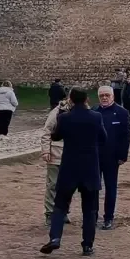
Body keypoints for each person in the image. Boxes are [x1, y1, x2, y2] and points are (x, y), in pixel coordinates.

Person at [40, 87, 107, 256]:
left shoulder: (64, 118)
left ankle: (55, 238)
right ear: (86, 100)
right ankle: (87, 245)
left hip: (69, 166)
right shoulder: (96, 117)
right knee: (89, 209)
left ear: (70, 99)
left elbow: (56, 136)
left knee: (60, 205)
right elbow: (103, 138)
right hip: (90, 167)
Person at [93, 86, 130, 230]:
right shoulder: (94, 112)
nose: (104, 97)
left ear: (113, 96)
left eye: (107, 95)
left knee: (110, 187)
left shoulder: (122, 113)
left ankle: (108, 217)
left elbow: (125, 136)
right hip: (95, 156)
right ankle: (93, 216)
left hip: (112, 157)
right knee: (93, 188)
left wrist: (123, 155)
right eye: (101, 95)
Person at [40, 93, 73, 227]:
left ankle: (63, 211)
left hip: (72, 155)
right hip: (56, 153)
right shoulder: (57, 112)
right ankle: (50, 213)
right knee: (53, 185)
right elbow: (47, 131)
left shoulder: (81, 112)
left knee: (68, 186)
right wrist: (46, 150)